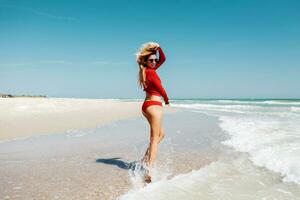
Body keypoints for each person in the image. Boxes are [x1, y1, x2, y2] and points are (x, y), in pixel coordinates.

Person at [135, 42, 170, 183]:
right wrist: (166, 99)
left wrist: (158, 48)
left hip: (146, 105)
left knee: (161, 134)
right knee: (155, 139)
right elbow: (160, 88)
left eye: (155, 60)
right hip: (154, 106)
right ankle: (149, 170)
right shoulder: (151, 73)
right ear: (146, 61)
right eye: (151, 60)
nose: (155, 62)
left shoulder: (146, 71)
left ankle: (145, 159)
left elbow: (163, 59)